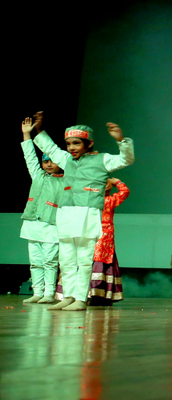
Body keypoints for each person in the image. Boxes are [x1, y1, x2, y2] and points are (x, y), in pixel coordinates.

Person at [32, 112, 135, 312]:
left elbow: (127, 159)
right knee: (66, 258)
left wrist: (121, 140)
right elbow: (49, 147)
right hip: (66, 212)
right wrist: (38, 129)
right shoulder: (66, 159)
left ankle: (80, 298)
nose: (71, 148)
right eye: (69, 144)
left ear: (89, 144)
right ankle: (68, 296)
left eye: (76, 143)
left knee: (85, 258)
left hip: (87, 213)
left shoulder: (103, 160)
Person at [20, 118, 63, 304]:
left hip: (51, 225)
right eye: (45, 161)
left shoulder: (65, 180)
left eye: (53, 161)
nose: (49, 164)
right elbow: (30, 157)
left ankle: (49, 293)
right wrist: (26, 134)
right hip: (32, 224)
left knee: (50, 262)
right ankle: (37, 292)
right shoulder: (38, 175)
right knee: (35, 262)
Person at [89, 178, 129, 306]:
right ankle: (92, 294)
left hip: (104, 237)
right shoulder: (90, 200)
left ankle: (98, 294)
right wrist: (116, 182)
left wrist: (116, 181)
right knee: (90, 262)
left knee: (100, 262)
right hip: (91, 234)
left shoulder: (108, 200)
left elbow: (125, 192)